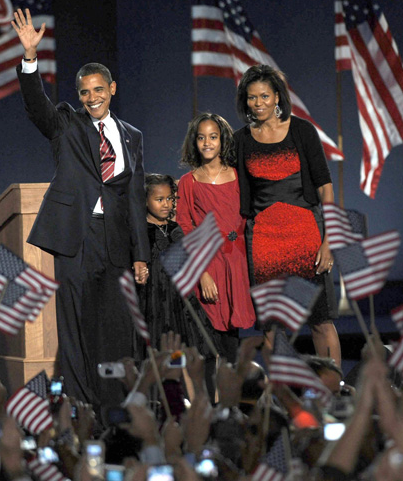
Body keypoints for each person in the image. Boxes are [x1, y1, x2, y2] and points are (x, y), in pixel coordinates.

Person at [11, 8, 150, 409]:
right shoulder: (65, 125)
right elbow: (36, 104)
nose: (91, 98)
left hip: (117, 241)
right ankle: (80, 404)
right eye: (84, 92)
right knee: (74, 324)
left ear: (112, 88)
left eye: (97, 90)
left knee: (118, 325)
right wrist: (30, 58)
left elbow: (136, 197)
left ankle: (118, 403)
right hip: (77, 237)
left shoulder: (132, 137)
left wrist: (141, 254)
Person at [233, 64, 341, 365]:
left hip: (305, 237)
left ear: (278, 97)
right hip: (264, 242)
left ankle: (333, 393)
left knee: (320, 320)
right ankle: (281, 396)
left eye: (265, 96)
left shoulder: (302, 131)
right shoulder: (241, 140)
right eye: (252, 98)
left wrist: (329, 241)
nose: (259, 103)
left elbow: (326, 190)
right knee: (271, 326)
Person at [176, 113, 255, 363]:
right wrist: (202, 273)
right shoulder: (188, 182)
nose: (207, 143)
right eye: (201, 138)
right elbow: (184, 227)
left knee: (232, 342)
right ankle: (208, 401)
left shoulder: (238, 177)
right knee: (208, 345)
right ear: (194, 142)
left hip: (236, 263)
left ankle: (230, 400)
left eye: (213, 137)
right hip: (206, 265)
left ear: (222, 140)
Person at [139, 173, 210, 351]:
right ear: (145, 201)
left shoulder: (174, 228)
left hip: (178, 298)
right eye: (159, 199)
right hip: (153, 297)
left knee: (182, 345)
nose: (166, 204)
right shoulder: (141, 231)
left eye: (170, 199)